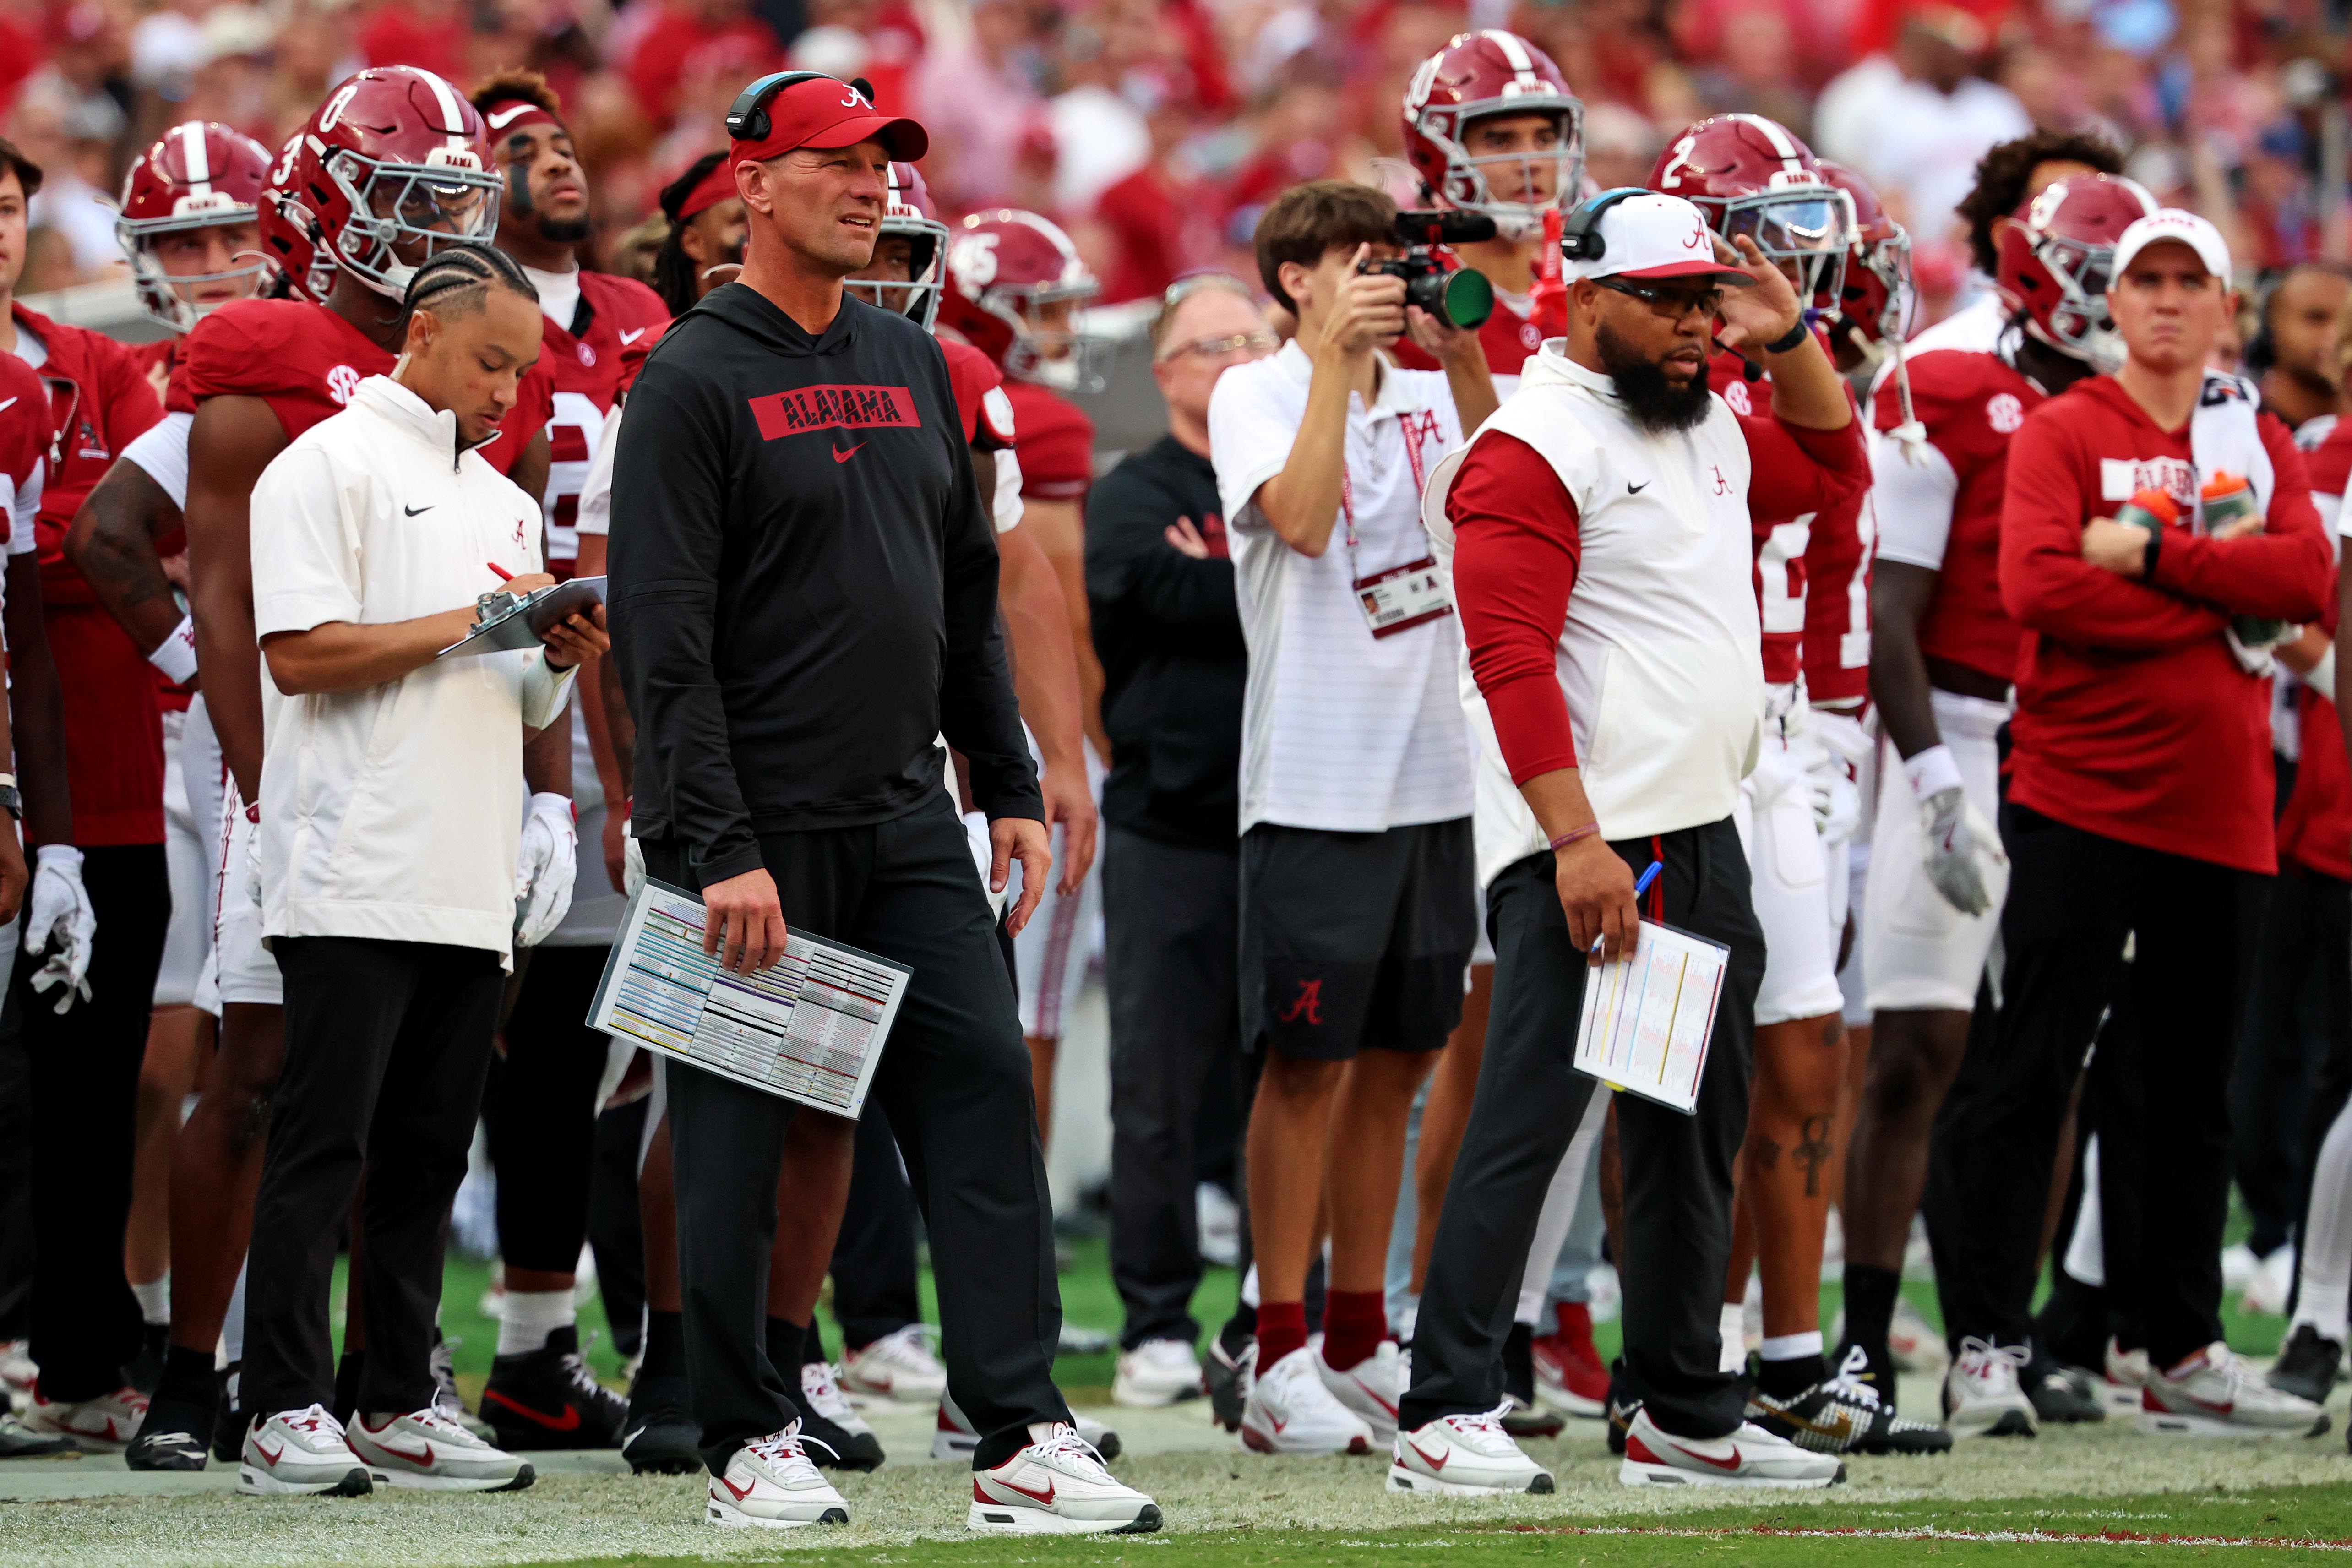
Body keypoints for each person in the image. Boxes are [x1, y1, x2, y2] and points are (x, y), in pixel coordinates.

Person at [609, 70, 1156, 1535]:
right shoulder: (685, 377)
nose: (872, 187)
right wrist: (714, 843)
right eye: (838, 163)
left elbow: (965, 598)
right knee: (732, 1134)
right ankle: (742, 1429)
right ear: (753, 187)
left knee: (980, 1101)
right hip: (749, 829)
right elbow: (660, 639)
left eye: (884, 165)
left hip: (908, 811)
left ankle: (1020, 1429)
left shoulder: (914, 363)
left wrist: (1008, 776)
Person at [1395, 187, 1867, 1495]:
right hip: (1597, 843)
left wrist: (1787, 338)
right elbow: (1507, 657)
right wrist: (1577, 841)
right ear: (1584, 297)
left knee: (1687, 1129)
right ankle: (1444, 1408)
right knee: (1531, 1120)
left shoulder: (1708, 413)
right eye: (1660, 298)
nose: (1688, 323)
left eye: (1701, 299)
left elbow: (1834, 474)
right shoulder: (1532, 445)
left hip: (1696, 827)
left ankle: (1680, 1410)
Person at [118, 69, 554, 1469]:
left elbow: (527, 607)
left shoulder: (487, 396)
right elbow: (232, 597)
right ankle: (200, 1371)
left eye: (451, 202)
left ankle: (390, 1374)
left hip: (441, 783)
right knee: (260, 1077)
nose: (431, 224)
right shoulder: (259, 349)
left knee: (420, 1099)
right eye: (407, 199)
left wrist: (546, 790)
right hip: (296, 763)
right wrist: (253, 766)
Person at [1939, 207, 2333, 1439]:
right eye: (2143, 281)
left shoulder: (2251, 434)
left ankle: (2180, 1344)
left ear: (2226, 308)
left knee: (2190, 1093)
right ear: (2114, 305)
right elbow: (2040, 588)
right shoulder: (2066, 428)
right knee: (2027, 1074)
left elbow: (2308, 586)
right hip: (2077, 797)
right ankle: (1989, 1344)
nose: (2165, 301)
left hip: (2222, 816)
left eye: (2188, 282)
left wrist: (2156, 557)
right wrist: (2227, 612)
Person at [237, 243, 599, 1498]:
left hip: (467, 871)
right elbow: (299, 655)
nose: (509, 389)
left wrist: (551, 650)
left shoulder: (504, 503)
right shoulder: (320, 466)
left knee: (432, 1157)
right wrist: (480, 624)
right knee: (321, 1145)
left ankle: (394, 1396)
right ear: (425, 334)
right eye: (493, 361)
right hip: (348, 868)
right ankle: (281, 1405)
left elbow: (504, 683)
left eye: (524, 369)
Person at [1843, 174, 2155, 1434]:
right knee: (1917, 1053)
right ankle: (1862, 1348)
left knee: (2053, 1062)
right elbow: (1893, 614)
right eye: (2102, 275)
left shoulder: (2150, 412)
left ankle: (1994, 1341)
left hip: (2083, 746)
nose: (2124, 305)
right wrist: (1926, 783)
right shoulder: (1954, 390)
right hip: (1961, 733)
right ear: (2037, 271)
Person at [1208, 178, 1496, 1456]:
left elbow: (1510, 509)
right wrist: (1330, 364)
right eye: (1361, 262)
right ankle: (1274, 1345)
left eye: (1397, 260)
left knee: (1402, 1064)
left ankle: (1361, 1329)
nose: (1387, 279)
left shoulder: (1433, 390)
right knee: (1308, 1066)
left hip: (1439, 776)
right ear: (1295, 278)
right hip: (1317, 785)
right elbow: (1309, 521)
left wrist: (1471, 348)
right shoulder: (1255, 389)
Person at [1650, 112, 1883, 1447]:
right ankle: (1633, 1343)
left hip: (1784, 732)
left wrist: (1785, 339)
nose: (1789, 254)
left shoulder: (1803, 369)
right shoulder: (1625, 348)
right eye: (1763, 226)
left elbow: (1829, 465)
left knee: (1801, 1033)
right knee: (1644, 1057)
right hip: (1659, 738)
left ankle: (1782, 1352)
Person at [466, 67, 669, 1453]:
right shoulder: (469, 323)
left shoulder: (647, 321)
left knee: (614, 1049)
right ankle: (407, 1347)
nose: (554, 162)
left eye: (558, 140)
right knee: (502, 1049)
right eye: (517, 146)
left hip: (635, 702)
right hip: (499, 697)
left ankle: (556, 1347)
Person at [65, 119, 272, 1406]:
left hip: (251, 731)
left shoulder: (297, 359)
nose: (206, 262)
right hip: (145, 732)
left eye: (228, 234)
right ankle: (151, 1317)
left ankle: (238, 1334)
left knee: (247, 1052)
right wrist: (199, 659)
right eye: (181, 240)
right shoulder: (114, 374)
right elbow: (97, 542)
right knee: (157, 1067)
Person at [5, 126, 165, 1452]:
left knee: (94, 1090)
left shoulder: (96, 365)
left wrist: (69, 545)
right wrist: (76, 544)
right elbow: (77, 548)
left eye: (8, 208)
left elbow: (136, 529)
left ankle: (78, 1361)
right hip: (32, 768)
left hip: (109, 780)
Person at [1088, 272, 1269, 1407]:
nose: (1236, 358)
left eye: (1253, 338)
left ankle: (1271, 1311)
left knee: (1285, 1080)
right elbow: (1151, 589)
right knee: (1155, 1081)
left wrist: (1230, 573)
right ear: (1164, 373)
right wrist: (1261, 573)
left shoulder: (1291, 482)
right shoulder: (1132, 488)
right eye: (1211, 344)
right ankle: (1153, 1321)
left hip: (1289, 820)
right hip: (1169, 823)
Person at [938, 208, 1104, 1161]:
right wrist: (1084, 748)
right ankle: (1017, 1216)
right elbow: (1056, 598)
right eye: (1042, 312)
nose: (1063, 334)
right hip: (1014, 732)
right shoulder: (1026, 413)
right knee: (1028, 1004)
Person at [1394, 28, 1586, 396]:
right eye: (1501, 140)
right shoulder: (1409, 299)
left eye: (1545, 138)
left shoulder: (1582, 294)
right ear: (1439, 153)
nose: (1532, 162)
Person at [2249, 263, 2352, 434]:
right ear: (2271, 325)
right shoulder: (2243, 432)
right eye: (2316, 318)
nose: (2335, 334)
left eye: (2347, 320)